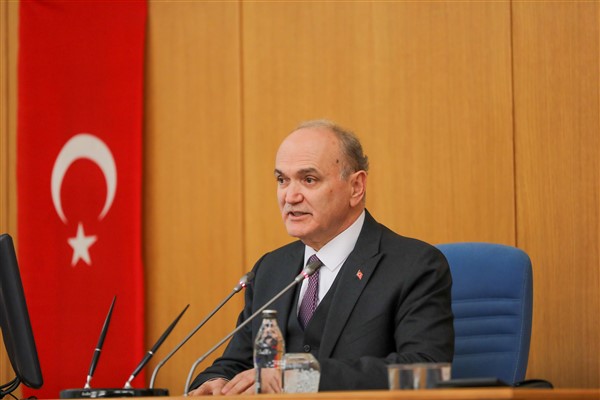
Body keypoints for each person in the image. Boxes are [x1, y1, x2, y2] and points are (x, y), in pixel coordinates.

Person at [188, 120, 454, 395]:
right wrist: (216, 381)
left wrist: (300, 378)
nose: (290, 196)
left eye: (309, 180)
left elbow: (425, 370)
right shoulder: (270, 269)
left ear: (356, 187)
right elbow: (236, 363)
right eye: (282, 180)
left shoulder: (414, 266)